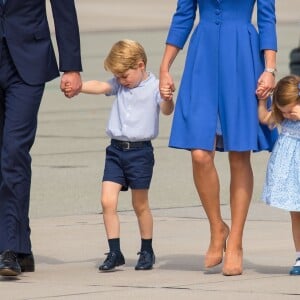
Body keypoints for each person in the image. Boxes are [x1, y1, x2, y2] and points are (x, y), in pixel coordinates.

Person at [159, 0, 278, 276]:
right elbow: (184, 15)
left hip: (244, 55)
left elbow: (267, 18)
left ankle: (235, 242)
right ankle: (217, 227)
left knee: (239, 153)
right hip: (204, 54)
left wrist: (269, 69)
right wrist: (165, 67)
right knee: (199, 153)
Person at [72, 39, 174, 271]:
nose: (121, 81)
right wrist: (78, 86)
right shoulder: (119, 85)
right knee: (107, 201)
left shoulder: (154, 87)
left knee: (140, 204)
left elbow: (167, 111)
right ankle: (115, 251)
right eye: (117, 77)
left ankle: (147, 249)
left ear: (140, 65)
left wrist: (167, 97)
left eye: (124, 76)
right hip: (116, 151)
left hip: (140, 153)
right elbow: (101, 86)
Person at [0, 0, 82, 277]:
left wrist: (71, 66)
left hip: (28, 61)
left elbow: (63, 7)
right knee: (9, 156)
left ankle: (8, 249)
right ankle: (21, 245)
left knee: (14, 151)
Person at [257, 75, 300, 276]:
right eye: (283, 112)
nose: (288, 116)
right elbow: (265, 118)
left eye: (291, 110)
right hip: (291, 173)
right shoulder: (282, 114)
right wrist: (261, 100)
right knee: (295, 213)